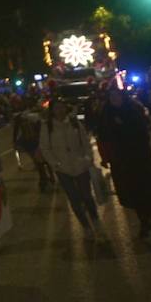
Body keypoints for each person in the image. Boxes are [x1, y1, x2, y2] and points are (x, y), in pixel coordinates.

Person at [97, 84, 151, 248]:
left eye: (117, 96)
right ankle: (144, 222)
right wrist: (106, 157)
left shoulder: (133, 110)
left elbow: (142, 133)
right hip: (121, 162)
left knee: (149, 194)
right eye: (112, 97)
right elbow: (103, 136)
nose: (115, 100)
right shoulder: (106, 114)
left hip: (141, 159)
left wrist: (123, 126)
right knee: (132, 194)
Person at [40, 100, 104, 241]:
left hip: (80, 165)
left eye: (62, 107)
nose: (60, 110)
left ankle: (95, 220)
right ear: (52, 110)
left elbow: (85, 142)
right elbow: (45, 148)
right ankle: (86, 226)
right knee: (74, 199)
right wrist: (55, 164)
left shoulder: (74, 123)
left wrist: (88, 158)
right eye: (56, 108)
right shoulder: (47, 126)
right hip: (63, 169)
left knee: (87, 196)